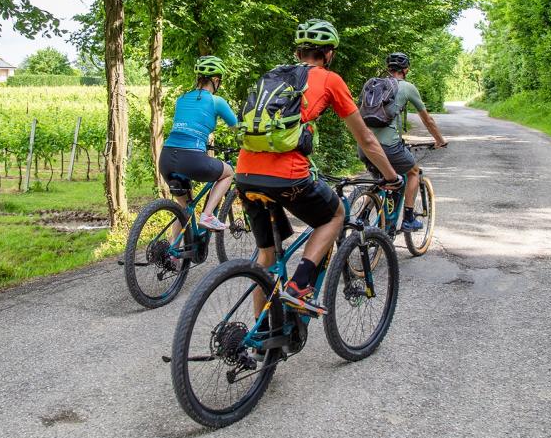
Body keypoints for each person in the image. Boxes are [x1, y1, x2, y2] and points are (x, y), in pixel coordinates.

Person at [235, 19, 401, 310]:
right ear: (329, 54)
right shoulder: (330, 80)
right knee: (334, 215)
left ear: (298, 53)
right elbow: (367, 139)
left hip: (245, 174)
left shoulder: (273, 75)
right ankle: (300, 286)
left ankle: (263, 336)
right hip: (288, 177)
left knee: (267, 257)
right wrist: (391, 176)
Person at [357, 51, 447, 231]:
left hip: (364, 145)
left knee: (381, 181)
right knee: (413, 171)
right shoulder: (407, 87)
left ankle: (362, 217)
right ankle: (408, 218)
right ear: (406, 70)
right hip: (389, 147)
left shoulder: (372, 84)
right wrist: (440, 140)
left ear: (388, 68)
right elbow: (427, 120)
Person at [158, 55, 237, 231]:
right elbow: (236, 127)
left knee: (185, 209)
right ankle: (208, 215)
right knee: (229, 172)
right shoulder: (216, 101)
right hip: (191, 158)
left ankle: (172, 254)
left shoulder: (182, 98)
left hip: (166, 157)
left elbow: (188, 124)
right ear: (216, 80)